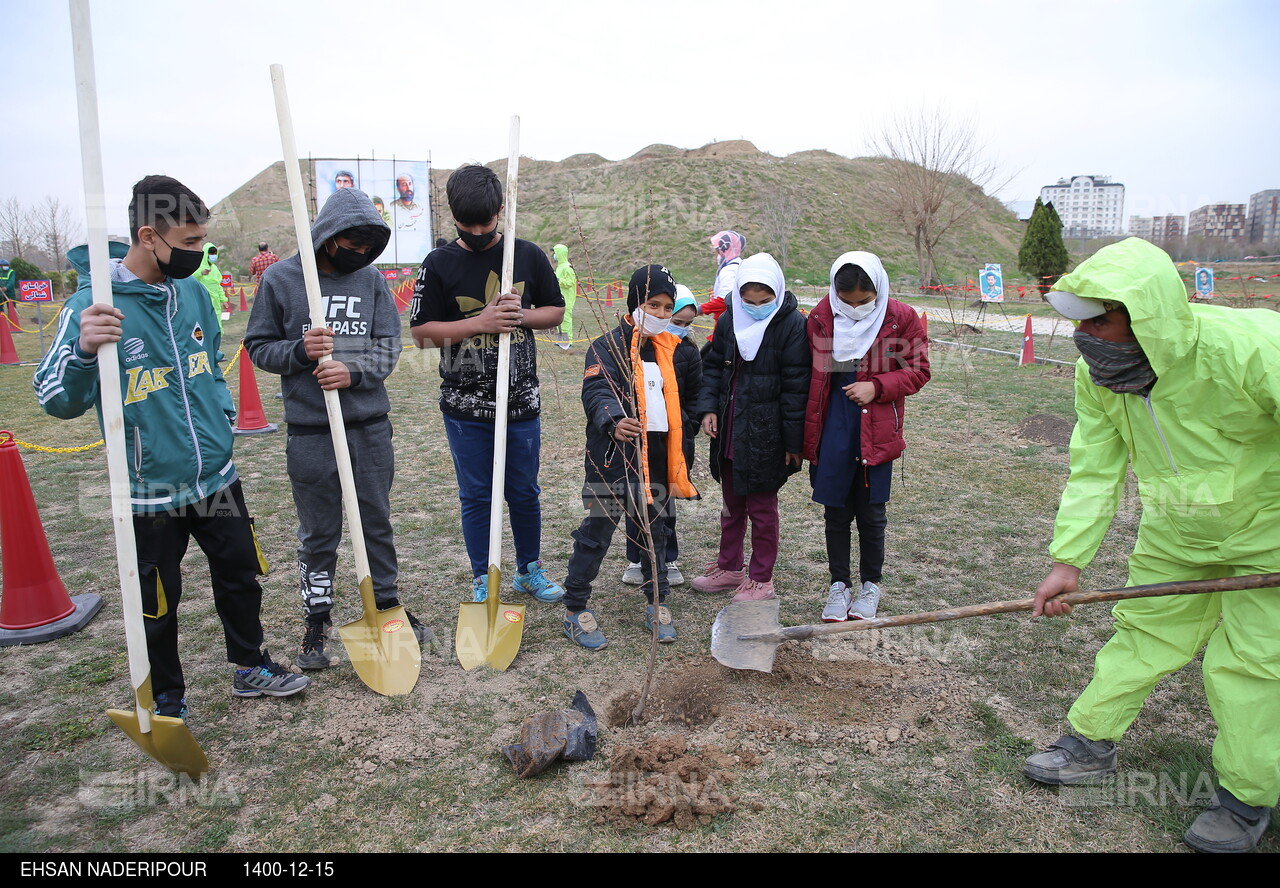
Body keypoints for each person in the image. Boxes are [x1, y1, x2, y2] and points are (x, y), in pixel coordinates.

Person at [1022, 237, 1280, 854]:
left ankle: (1246, 799)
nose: (1086, 335)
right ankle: (1089, 743)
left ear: (1147, 316)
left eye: (1101, 320)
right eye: (1080, 320)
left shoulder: (1250, 349)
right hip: (1175, 531)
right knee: (1142, 634)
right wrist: (1068, 561)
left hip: (1268, 536)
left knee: (1248, 666)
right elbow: (1094, 468)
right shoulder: (1099, 373)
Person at [33, 175, 309, 719]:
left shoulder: (194, 295)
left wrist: (223, 416)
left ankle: (250, 665)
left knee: (239, 572)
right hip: (149, 491)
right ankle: (166, 697)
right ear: (146, 236)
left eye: (201, 242)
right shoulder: (94, 306)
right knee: (156, 601)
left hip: (216, 477)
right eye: (186, 243)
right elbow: (54, 399)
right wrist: (85, 350)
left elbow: (209, 374)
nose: (196, 253)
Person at [245, 187, 430, 669]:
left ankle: (387, 607)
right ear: (328, 236)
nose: (362, 253)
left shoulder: (370, 282)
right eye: (353, 243)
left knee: (375, 522)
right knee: (319, 531)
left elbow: (389, 343)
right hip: (310, 432)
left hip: (368, 427)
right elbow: (259, 345)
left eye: (370, 246)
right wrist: (298, 353)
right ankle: (317, 619)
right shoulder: (283, 280)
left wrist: (355, 372)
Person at [409, 164, 566, 603]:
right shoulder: (438, 263)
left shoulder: (528, 255)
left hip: (521, 401)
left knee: (524, 491)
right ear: (452, 216)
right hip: (465, 407)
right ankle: (483, 575)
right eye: (467, 223)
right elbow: (422, 334)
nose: (478, 230)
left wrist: (520, 316)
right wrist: (480, 321)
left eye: (487, 221)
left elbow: (554, 310)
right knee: (477, 495)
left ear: (501, 209)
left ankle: (529, 569)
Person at [562, 265, 701, 649]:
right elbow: (596, 390)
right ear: (634, 303)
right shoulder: (606, 346)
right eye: (651, 304)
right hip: (612, 457)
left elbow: (685, 399)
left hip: (657, 457)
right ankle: (575, 608)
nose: (659, 313)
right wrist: (614, 419)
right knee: (596, 533)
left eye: (666, 307)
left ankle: (656, 603)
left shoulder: (673, 349)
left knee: (655, 533)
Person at [804, 252, 930, 623]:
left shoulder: (900, 318)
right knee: (836, 512)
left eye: (865, 300)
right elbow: (807, 377)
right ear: (834, 292)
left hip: (875, 427)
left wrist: (877, 386)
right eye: (848, 301)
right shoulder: (821, 318)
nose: (857, 308)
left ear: (879, 289)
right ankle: (838, 585)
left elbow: (919, 370)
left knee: (872, 515)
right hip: (832, 428)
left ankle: (870, 585)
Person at [691, 253, 809, 601]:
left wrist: (792, 442)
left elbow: (796, 389)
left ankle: (761, 577)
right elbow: (712, 368)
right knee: (731, 504)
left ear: (778, 293)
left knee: (761, 509)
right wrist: (709, 409)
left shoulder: (792, 326)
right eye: (749, 300)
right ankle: (729, 568)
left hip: (766, 436)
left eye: (765, 301)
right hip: (730, 429)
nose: (756, 307)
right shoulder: (729, 320)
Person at [622, 284, 700, 586]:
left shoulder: (687, 352)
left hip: (671, 440)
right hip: (637, 436)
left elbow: (696, 393)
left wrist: (687, 425)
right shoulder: (628, 347)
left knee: (665, 498)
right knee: (637, 498)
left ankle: (668, 557)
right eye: (673, 319)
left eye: (684, 323)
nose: (676, 326)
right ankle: (636, 558)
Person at [699, 230, 746, 335]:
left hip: (726, 324)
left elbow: (725, 300)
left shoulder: (730, 270)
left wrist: (700, 309)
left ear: (724, 249)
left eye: (716, 249)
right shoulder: (738, 266)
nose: (714, 252)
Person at [195, 242, 228, 328]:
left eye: (214, 253)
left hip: (216, 302)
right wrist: (201, 273)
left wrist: (223, 300)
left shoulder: (215, 269)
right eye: (211, 253)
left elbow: (218, 286)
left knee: (217, 325)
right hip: (203, 301)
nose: (213, 256)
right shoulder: (198, 267)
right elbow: (190, 278)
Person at [552, 243, 577, 351]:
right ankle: (561, 340)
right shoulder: (560, 267)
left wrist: (558, 281)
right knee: (559, 319)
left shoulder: (567, 267)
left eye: (555, 252)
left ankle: (568, 342)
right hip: (559, 297)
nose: (554, 255)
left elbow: (570, 282)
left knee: (566, 320)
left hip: (567, 298)